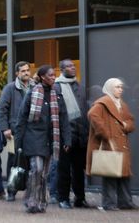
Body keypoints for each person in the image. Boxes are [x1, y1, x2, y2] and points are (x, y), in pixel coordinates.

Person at [15, 65, 71, 213]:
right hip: (33, 137)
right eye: (50, 75)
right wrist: (18, 141)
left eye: (54, 75)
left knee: (44, 173)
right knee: (36, 169)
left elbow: (64, 118)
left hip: (51, 139)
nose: (53, 77)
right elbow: (22, 117)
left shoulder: (57, 95)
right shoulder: (33, 93)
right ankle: (32, 201)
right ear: (42, 77)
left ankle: (41, 202)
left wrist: (67, 140)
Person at [86, 78, 138, 211]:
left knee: (123, 174)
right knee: (110, 174)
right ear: (109, 88)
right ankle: (109, 203)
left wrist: (126, 126)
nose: (120, 89)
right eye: (117, 87)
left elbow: (129, 120)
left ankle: (125, 202)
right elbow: (92, 115)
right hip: (110, 143)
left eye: (121, 87)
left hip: (121, 144)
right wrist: (105, 133)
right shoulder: (103, 103)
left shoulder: (121, 104)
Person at [55, 59, 90, 209]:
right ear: (62, 69)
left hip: (80, 135)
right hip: (65, 136)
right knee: (63, 169)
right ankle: (63, 198)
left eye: (73, 65)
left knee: (79, 170)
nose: (72, 68)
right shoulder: (56, 88)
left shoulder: (80, 87)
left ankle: (79, 198)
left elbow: (84, 110)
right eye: (69, 66)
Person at [0, 61, 32, 201]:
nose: (26, 73)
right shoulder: (10, 88)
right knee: (14, 161)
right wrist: (5, 128)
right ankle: (11, 191)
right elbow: (2, 109)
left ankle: (29, 192)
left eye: (28, 70)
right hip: (14, 131)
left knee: (30, 161)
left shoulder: (35, 87)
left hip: (32, 130)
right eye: (23, 71)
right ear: (17, 73)